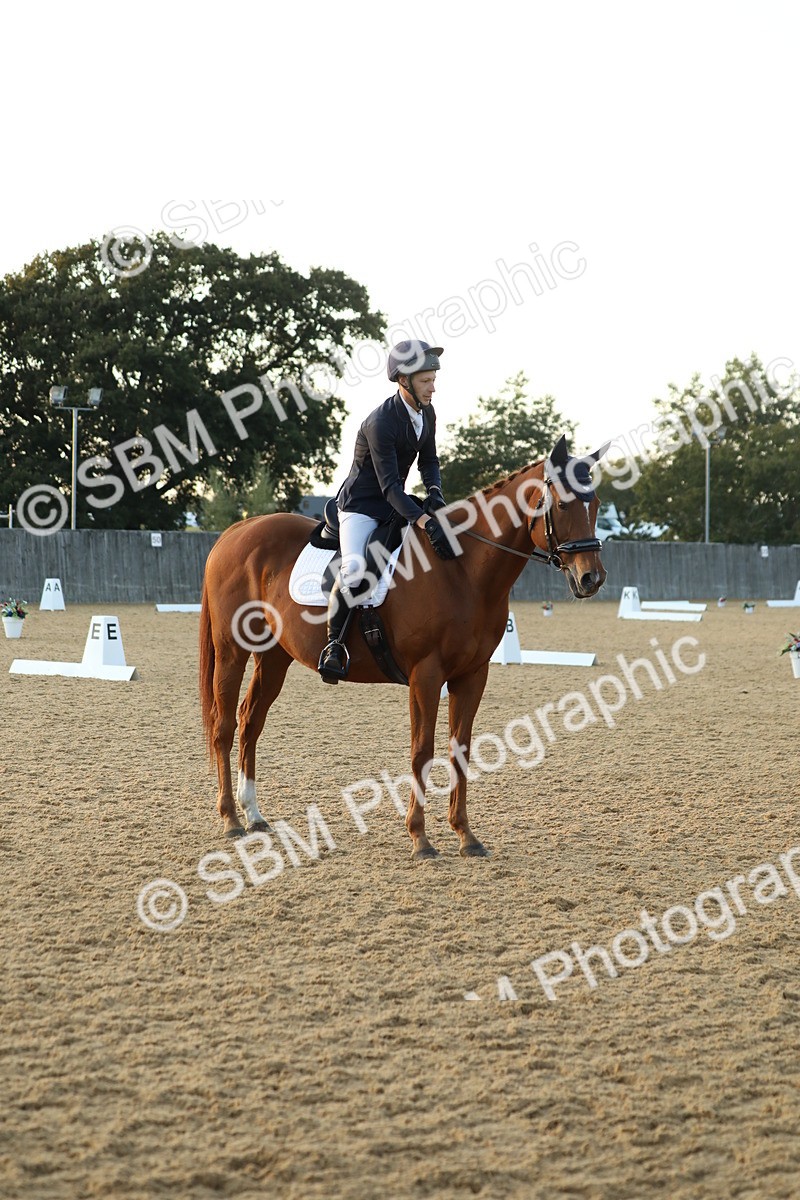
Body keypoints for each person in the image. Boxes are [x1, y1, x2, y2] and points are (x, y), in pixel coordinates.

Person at [318, 339, 456, 683]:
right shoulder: (380, 422)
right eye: (426, 381)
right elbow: (389, 487)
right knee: (354, 571)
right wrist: (422, 518)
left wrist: (435, 493)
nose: (433, 387)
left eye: (434, 379)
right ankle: (334, 646)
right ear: (403, 380)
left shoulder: (427, 413)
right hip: (361, 506)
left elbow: (430, 460)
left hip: (394, 502)